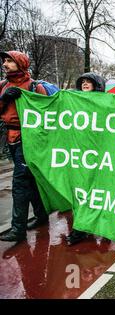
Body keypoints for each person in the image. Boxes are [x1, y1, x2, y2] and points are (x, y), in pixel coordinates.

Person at [0, 51, 49, 242]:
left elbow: (47, 114)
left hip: (29, 140)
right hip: (11, 139)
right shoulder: (3, 86)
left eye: (9, 60)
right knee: (31, 179)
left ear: (20, 63)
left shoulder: (35, 87)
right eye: (4, 60)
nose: (5, 64)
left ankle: (18, 228)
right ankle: (41, 214)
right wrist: (4, 99)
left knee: (20, 182)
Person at [65, 72, 106, 246]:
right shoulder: (73, 101)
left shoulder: (106, 103)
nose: (85, 84)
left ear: (97, 84)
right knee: (81, 192)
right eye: (82, 82)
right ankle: (81, 228)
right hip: (79, 155)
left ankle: (101, 225)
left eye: (89, 81)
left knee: (99, 192)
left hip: (100, 155)